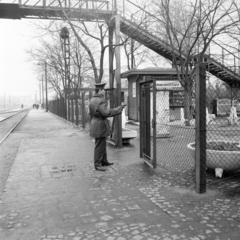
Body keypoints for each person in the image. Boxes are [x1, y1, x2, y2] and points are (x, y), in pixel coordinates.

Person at [89, 82, 126, 171]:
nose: (104, 92)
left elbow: (90, 113)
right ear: (100, 90)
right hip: (100, 125)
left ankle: (104, 161)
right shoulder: (101, 100)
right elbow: (106, 113)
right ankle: (97, 164)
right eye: (103, 90)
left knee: (102, 144)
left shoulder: (92, 100)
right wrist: (119, 109)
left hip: (95, 123)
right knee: (99, 145)